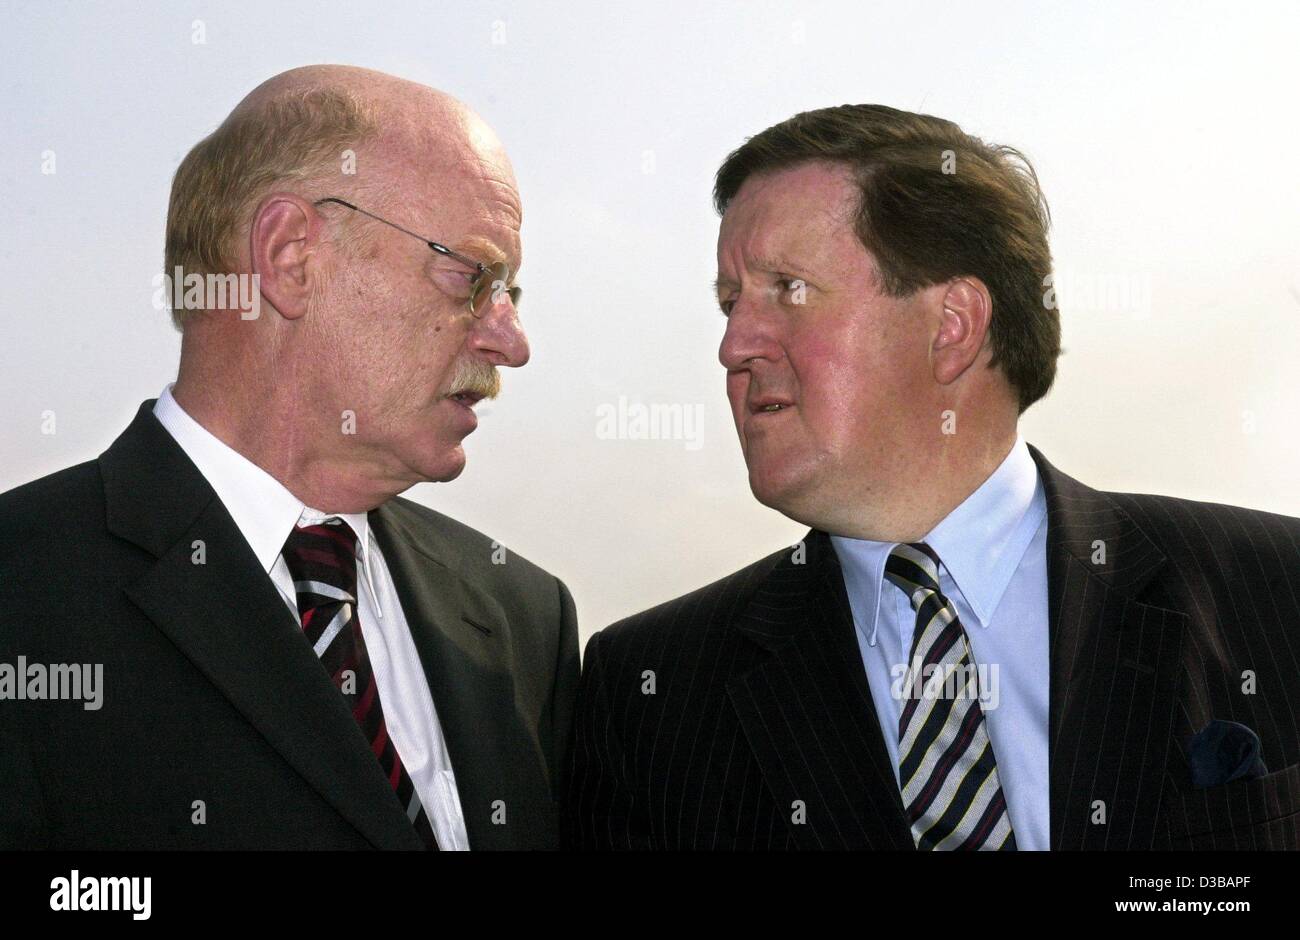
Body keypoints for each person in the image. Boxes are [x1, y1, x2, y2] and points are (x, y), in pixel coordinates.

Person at [565, 104, 1300, 851]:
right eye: (730, 303)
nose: (733, 345)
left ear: (953, 324)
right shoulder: (649, 693)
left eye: (786, 288)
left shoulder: (1278, 588)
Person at [0, 65, 578, 850]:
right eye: (472, 277)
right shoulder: (22, 594)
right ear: (289, 256)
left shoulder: (524, 617)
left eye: (512, 293)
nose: (511, 342)